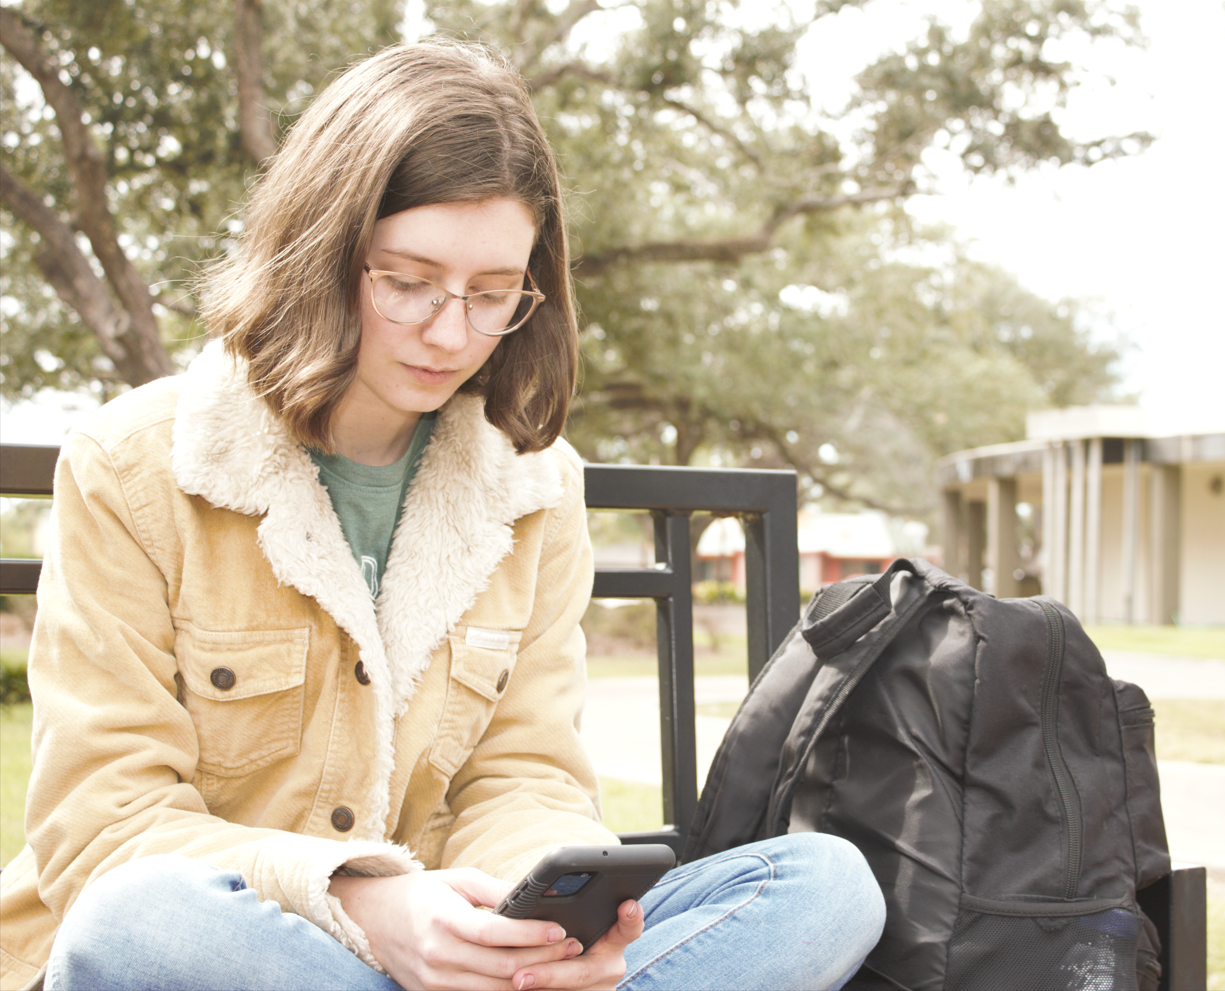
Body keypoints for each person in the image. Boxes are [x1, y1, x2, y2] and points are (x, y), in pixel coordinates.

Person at [0, 41, 884, 991]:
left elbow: (525, 777)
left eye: (493, 293)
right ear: (320, 248)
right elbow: (105, 822)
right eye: (409, 282)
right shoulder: (133, 465)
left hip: (451, 947)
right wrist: (371, 906)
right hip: (247, 943)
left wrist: (539, 927)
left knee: (829, 884)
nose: (452, 332)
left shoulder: (533, 487)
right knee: (137, 920)